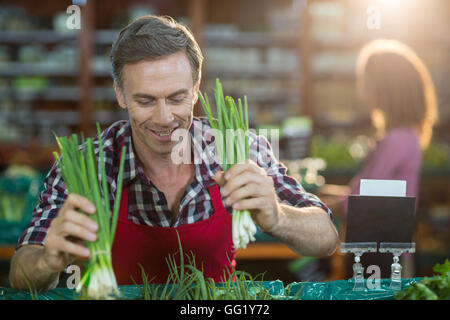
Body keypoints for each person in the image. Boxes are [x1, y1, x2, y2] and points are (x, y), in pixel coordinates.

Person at [9, 15, 338, 291]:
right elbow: (20, 272)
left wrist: (279, 216)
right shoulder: (86, 163)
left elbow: (326, 238)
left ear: (196, 89)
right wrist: (47, 261)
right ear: (120, 94)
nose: (164, 119)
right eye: (146, 100)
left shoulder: (240, 149)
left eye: (177, 98)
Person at [319, 39, 438, 278]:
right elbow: (363, 189)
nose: (361, 89)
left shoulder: (396, 140)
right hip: (384, 249)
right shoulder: (403, 136)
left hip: (380, 255)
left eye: (366, 82)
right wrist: (322, 193)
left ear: (385, 88)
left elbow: (362, 200)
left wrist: (315, 205)